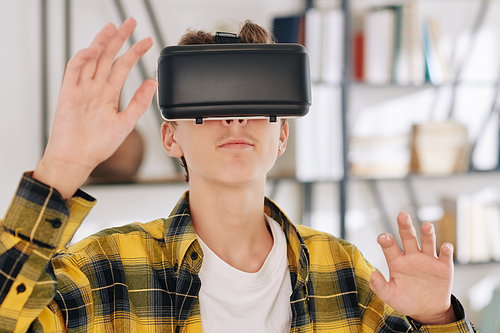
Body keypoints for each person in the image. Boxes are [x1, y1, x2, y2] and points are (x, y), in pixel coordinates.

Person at [0, 18, 476, 332]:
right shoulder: (106, 267)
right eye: (209, 104)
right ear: (171, 139)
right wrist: (59, 168)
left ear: (282, 135)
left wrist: (437, 317)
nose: (234, 119)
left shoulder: (345, 271)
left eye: (253, 102)